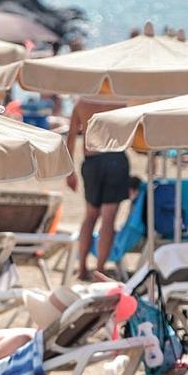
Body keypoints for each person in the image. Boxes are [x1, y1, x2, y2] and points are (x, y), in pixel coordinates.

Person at [65, 97, 129, 281]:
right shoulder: (119, 102)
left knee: (90, 216)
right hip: (115, 160)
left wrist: (70, 172)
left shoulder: (81, 103)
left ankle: (83, 267)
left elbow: (70, 138)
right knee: (108, 219)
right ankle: (100, 270)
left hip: (92, 161)